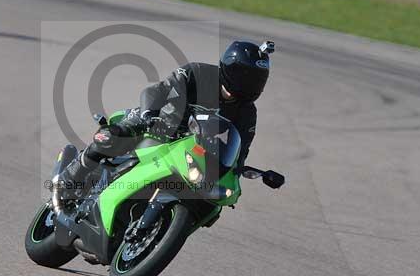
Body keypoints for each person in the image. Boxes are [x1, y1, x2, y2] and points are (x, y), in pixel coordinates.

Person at [58, 40, 273, 192]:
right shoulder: (198, 73)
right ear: (230, 69)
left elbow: (241, 148)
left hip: (192, 148)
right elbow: (158, 90)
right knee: (113, 136)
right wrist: (149, 113)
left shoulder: (247, 113)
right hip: (158, 123)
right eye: (245, 75)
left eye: (257, 79)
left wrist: (240, 169)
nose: (250, 83)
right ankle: (69, 179)